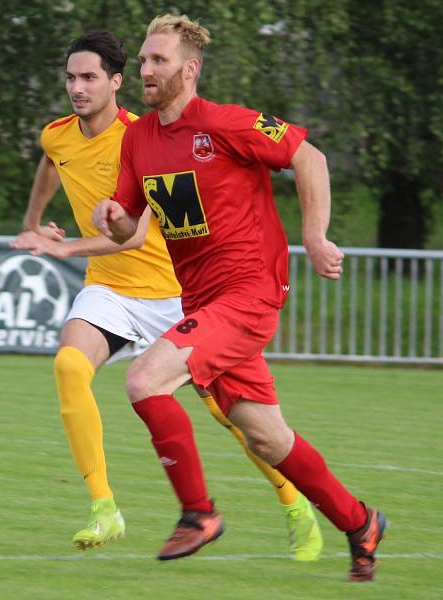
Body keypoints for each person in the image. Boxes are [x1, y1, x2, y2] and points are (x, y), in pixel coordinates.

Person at [91, 15, 387, 582]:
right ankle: (360, 522)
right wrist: (116, 216)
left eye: (159, 61)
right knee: (267, 437)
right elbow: (129, 228)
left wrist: (314, 236)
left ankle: (198, 514)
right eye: (145, 61)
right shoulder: (139, 138)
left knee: (143, 380)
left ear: (189, 69)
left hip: (249, 291)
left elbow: (311, 157)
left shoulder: (228, 124)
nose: (146, 71)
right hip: (203, 305)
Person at [12, 31, 322, 560]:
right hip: (110, 289)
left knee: (236, 417)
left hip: (175, 293)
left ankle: (294, 502)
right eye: (70, 77)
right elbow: (51, 161)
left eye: (89, 77)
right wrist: (34, 223)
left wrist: (68, 250)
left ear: (116, 82)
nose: (77, 88)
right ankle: (104, 507)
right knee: (68, 365)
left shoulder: (145, 138)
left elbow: (134, 234)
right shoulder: (57, 135)